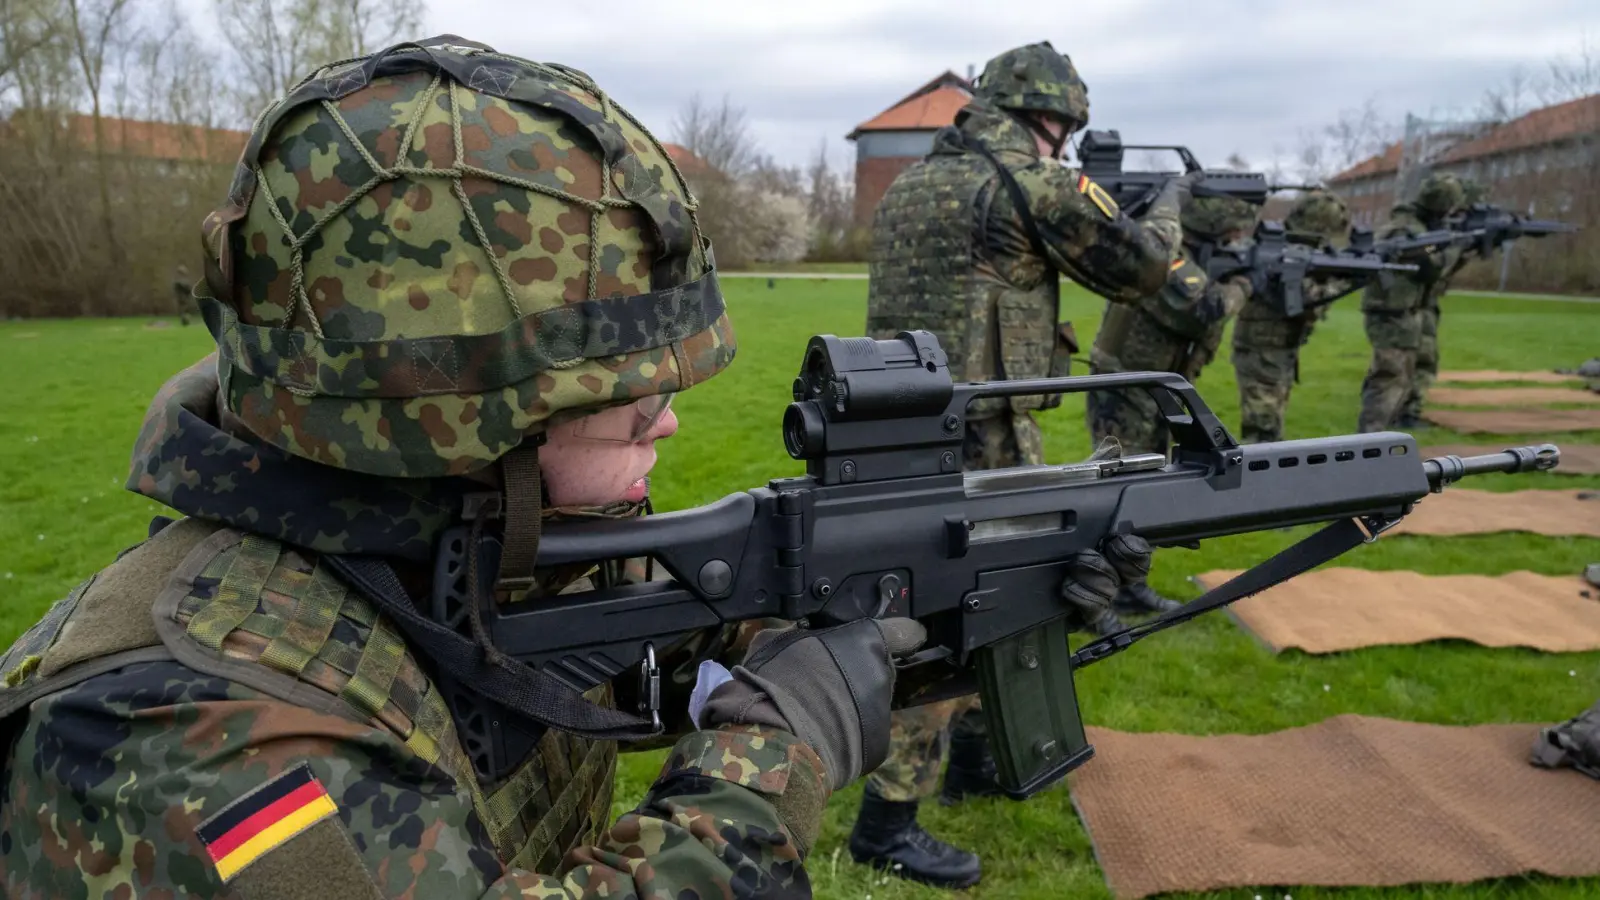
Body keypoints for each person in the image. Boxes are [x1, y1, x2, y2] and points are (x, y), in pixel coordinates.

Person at [0, 37, 928, 898]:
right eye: (627, 394)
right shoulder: (170, 744)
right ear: (454, 425)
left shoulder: (445, 539)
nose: (670, 418)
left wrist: (844, 596)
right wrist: (766, 760)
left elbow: (626, 625)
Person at [859, 39, 1184, 889]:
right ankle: (887, 821)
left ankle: (972, 765)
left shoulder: (916, 183)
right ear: (1053, 117)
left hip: (900, 428)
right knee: (956, 617)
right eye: (1066, 129)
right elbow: (1142, 271)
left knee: (985, 609)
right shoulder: (1029, 179)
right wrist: (1171, 214)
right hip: (986, 437)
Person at [1085, 194, 1257, 617]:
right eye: (1233, 228)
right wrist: (1243, 286)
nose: (1238, 237)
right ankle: (1092, 602)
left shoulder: (1192, 259)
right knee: (1114, 496)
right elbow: (1204, 309)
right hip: (1123, 391)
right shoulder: (1166, 260)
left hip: (1153, 390)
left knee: (1144, 495)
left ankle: (1127, 587)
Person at [1231, 191, 1357, 443]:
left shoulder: (1283, 247)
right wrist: (1347, 282)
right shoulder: (1281, 253)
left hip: (1276, 348)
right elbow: (1306, 298)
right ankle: (1256, 479)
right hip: (1262, 350)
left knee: (1270, 422)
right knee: (1262, 427)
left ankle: (1266, 475)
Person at [1357, 172, 1467, 432]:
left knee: (1400, 376)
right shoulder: (1409, 230)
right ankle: (1369, 438)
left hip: (1400, 311)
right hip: (1393, 313)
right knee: (1389, 377)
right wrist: (1455, 247)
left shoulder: (1412, 225)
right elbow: (1432, 269)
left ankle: (1383, 433)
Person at [1397, 177, 1486, 426]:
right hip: (1411, 304)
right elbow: (1432, 269)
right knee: (1415, 362)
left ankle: (1404, 409)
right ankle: (1405, 412)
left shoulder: (1423, 225)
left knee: (1415, 361)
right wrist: (1458, 247)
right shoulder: (1415, 228)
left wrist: (1463, 250)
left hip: (1420, 302)